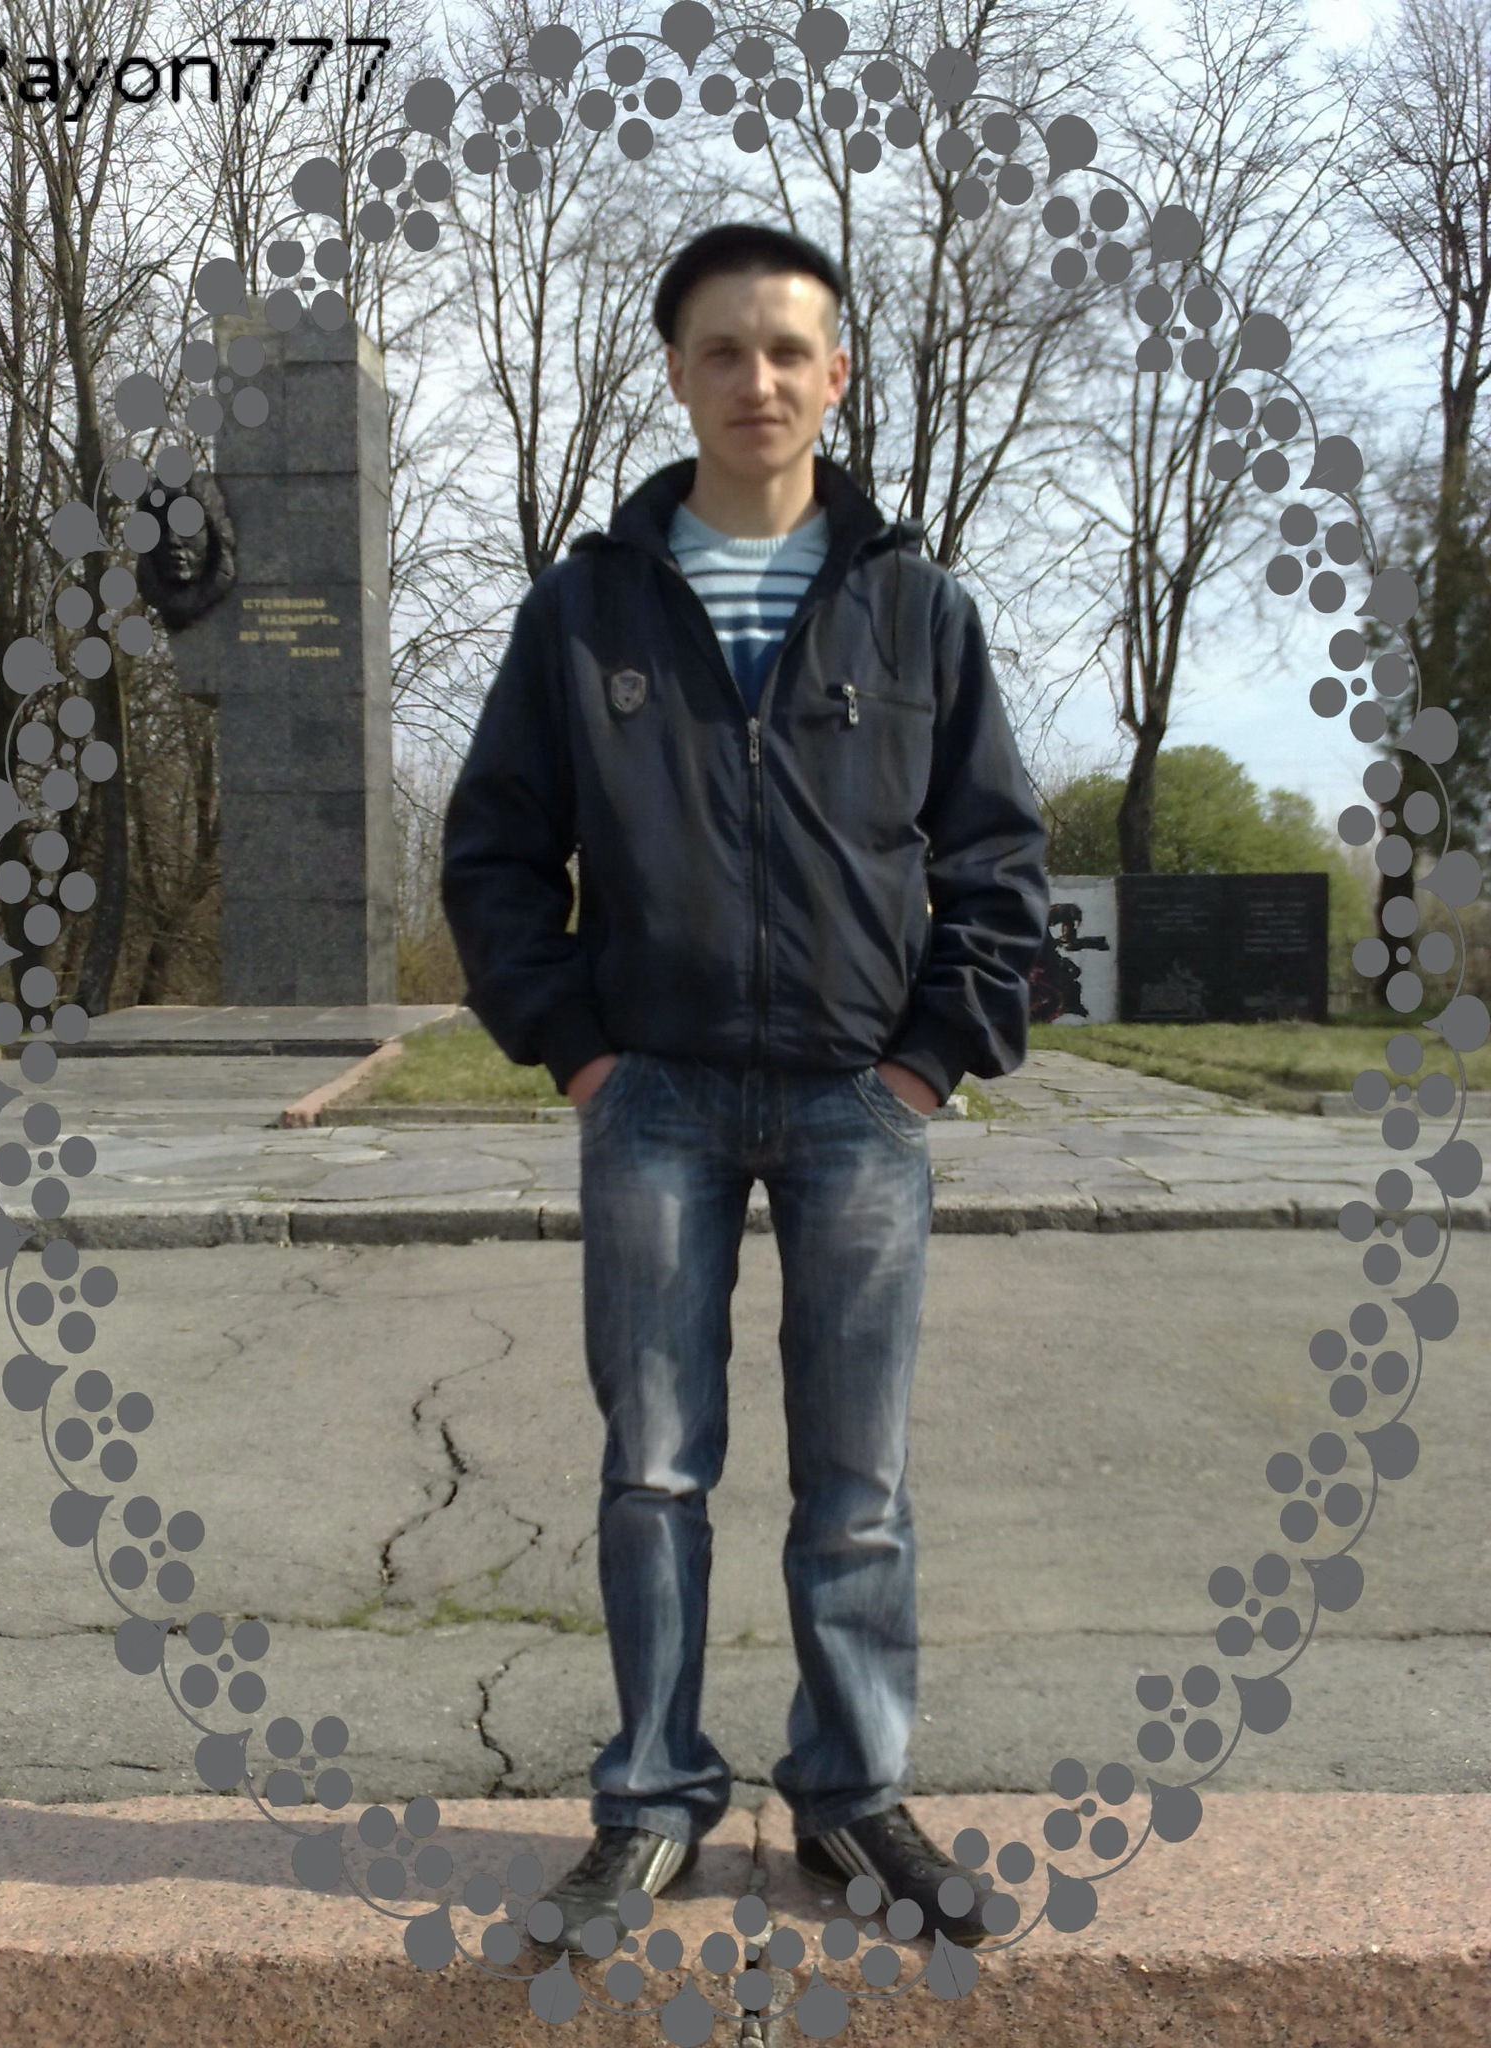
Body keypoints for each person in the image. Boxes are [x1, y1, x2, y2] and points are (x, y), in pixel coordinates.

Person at [440, 222, 1050, 1954]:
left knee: (859, 1483)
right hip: (656, 1100)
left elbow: (997, 863)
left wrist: (929, 1061)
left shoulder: (919, 609)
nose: (757, 379)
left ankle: (850, 1798)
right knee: (654, 1472)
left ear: (837, 373)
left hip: (863, 1105)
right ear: (677, 375)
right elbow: (493, 855)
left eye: (789, 349)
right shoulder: (586, 611)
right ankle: (650, 1802)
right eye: (722, 349)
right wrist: (578, 1048)